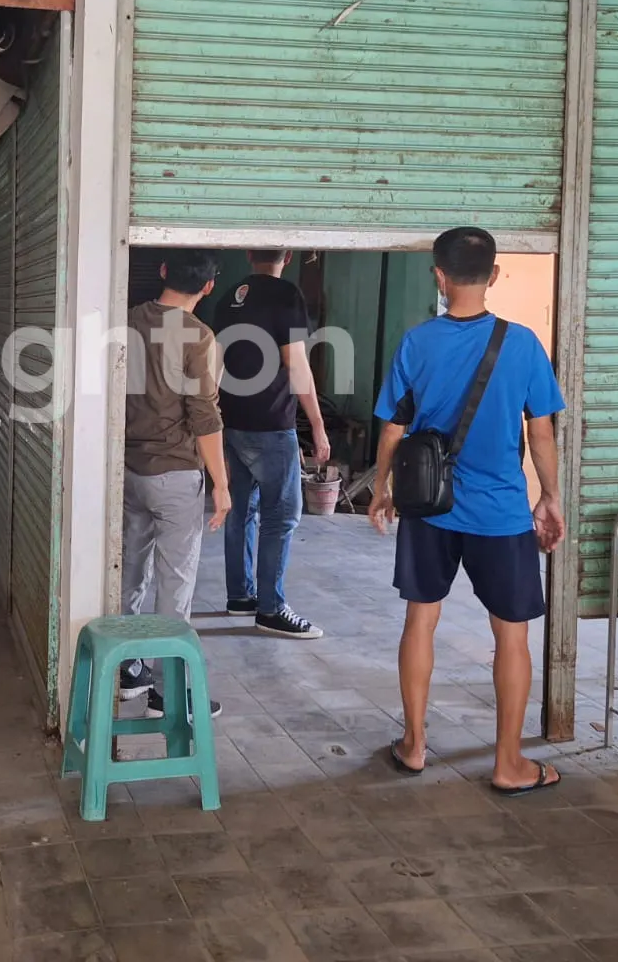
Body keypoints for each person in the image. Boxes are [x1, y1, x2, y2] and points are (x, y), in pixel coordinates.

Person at [368, 227, 566, 795]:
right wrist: (550, 497)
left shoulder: (417, 342)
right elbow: (542, 433)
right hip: (501, 513)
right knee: (511, 636)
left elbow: (393, 428)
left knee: (420, 620)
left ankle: (413, 745)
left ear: (439, 276)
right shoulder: (523, 344)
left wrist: (382, 488)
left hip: (430, 507)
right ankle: (509, 763)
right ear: (494, 275)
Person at [122, 249, 230, 718]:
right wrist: (221, 484)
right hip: (175, 475)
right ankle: (167, 695)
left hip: (127, 470)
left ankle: (128, 671)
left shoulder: (127, 321)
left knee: (129, 571)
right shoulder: (199, 337)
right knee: (174, 586)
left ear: (163, 272)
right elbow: (204, 416)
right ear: (208, 286)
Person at [211, 250, 329, 639]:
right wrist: (317, 424)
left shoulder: (228, 297)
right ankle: (271, 608)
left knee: (242, 511)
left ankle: (240, 595)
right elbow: (296, 363)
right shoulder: (286, 295)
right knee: (282, 515)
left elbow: (217, 363)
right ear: (288, 256)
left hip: (232, 421)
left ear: (249, 254)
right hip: (271, 424)